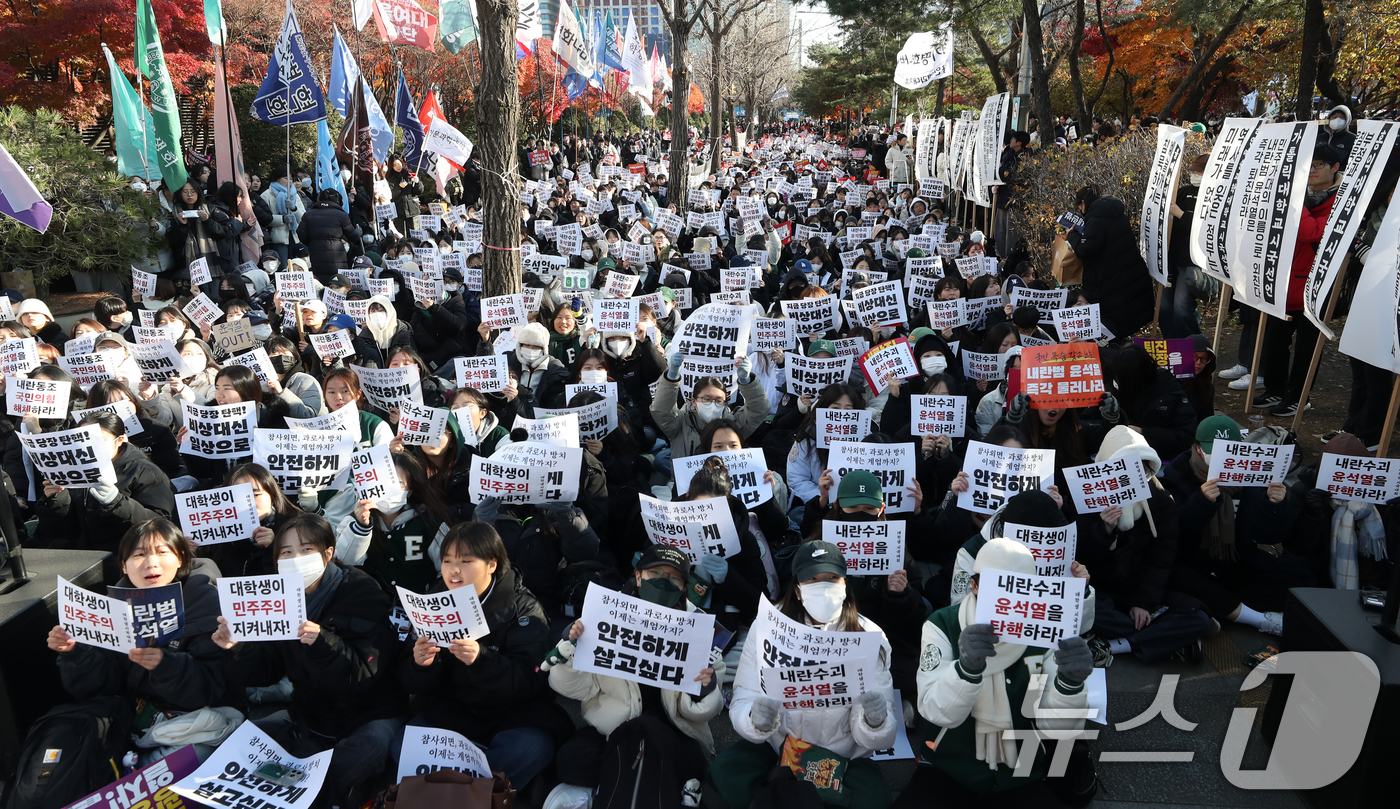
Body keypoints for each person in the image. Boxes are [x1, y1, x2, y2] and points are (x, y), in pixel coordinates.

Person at [212, 513, 404, 809]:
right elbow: (267, 670)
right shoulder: (276, 599)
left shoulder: (362, 593)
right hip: (310, 714)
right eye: (286, 552)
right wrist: (236, 648)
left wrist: (322, 642)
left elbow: (364, 672)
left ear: (328, 553)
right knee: (242, 746)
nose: (296, 559)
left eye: (306, 549)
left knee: (360, 755)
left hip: (370, 714)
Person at [895, 538, 1096, 807]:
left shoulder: (1048, 631)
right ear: (974, 585)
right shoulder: (942, 624)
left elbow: (1059, 729)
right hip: (948, 765)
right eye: (999, 586)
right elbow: (934, 711)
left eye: (1021, 587)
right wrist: (965, 670)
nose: (1010, 598)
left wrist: (1070, 684)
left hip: (1022, 771)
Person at [708, 540, 898, 809]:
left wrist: (875, 721)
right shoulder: (768, 626)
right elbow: (745, 695)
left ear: (845, 584)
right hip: (779, 747)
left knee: (873, 799)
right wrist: (755, 719)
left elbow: (879, 734)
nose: (824, 586)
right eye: (812, 579)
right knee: (727, 772)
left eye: (832, 578)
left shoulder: (868, 636)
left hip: (842, 756)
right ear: (797, 589)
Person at [543, 545, 725, 809]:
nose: (664, 581)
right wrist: (571, 650)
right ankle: (665, 792)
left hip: (675, 733)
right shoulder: (604, 615)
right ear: (638, 577)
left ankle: (607, 790)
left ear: (684, 587)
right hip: (613, 731)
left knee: (665, 748)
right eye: (655, 573)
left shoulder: (699, 629)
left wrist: (705, 689)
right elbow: (572, 688)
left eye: (674, 578)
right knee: (572, 760)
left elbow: (703, 713)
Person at [396, 522, 572, 790]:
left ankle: (471, 791)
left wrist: (482, 659)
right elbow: (412, 681)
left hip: (513, 715)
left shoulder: (523, 608)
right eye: (447, 561)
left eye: (466, 561)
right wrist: (421, 665)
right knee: (401, 746)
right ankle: (475, 789)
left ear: (492, 564)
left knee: (529, 749)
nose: (454, 570)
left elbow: (533, 678)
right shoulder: (433, 601)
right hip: (454, 710)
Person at [47, 519, 231, 748]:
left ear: (180, 559)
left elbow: (213, 688)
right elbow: (100, 689)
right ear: (124, 566)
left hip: (197, 725)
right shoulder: (112, 608)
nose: (151, 563)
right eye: (139, 555)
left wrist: (165, 665)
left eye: (162, 552)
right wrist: (75, 654)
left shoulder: (209, 604)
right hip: (133, 723)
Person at [34, 411, 177, 582]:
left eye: (99, 440)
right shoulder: (70, 468)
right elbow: (57, 531)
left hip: (126, 564)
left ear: (120, 440)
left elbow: (160, 525)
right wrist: (56, 499)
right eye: (83, 440)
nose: (90, 447)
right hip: (79, 563)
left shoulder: (144, 471)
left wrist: (115, 502)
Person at [1256, 144, 1343, 417]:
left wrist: (1295, 203)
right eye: (1309, 165)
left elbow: (1312, 232)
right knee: (1275, 339)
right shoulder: (1299, 195)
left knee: (1307, 347)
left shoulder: (1341, 200)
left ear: (1335, 168)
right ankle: (1275, 389)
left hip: (1315, 285)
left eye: (1319, 164)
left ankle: (1298, 397)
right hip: (1284, 280)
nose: (1313, 170)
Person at [1066, 185, 1154, 339]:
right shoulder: (1116, 213)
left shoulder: (1095, 220)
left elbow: (1087, 249)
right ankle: (1126, 340)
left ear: (1083, 203)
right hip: (1127, 273)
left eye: (1079, 205)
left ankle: (1117, 345)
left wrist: (1072, 235)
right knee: (1129, 311)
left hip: (1109, 278)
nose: (1079, 209)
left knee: (1114, 318)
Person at [652, 350, 768, 459]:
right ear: (694, 401)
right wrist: (671, 378)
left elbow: (759, 409)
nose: (713, 404)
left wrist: (747, 382)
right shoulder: (679, 424)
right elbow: (662, 411)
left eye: (719, 400)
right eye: (706, 399)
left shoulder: (734, 424)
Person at [1161, 154, 1217, 338]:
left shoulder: (1214, 196)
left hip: (1192, 261)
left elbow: (1207, 228)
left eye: (1199, 171)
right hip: (1171, 257)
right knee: (1164, 307)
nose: (1194, 174)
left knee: (1182, 307)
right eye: (1193, 171)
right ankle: (1171, 344)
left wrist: (1181, 214)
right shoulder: (1183, 191)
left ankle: (1193, 344)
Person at [298, 189, 360, 280]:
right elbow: (353, 236)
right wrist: (358, 232)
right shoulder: (341, 215)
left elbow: (301, 233)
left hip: (316, 255)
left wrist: (313, 242)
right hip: (337, 257)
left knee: (318, 282)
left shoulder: (308, 214)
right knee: (338, 283)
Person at [260, 165, 303, 264]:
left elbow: (303, 217)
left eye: (291, 179)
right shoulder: (267, 195)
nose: (290, 181)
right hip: (277, 238)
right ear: (277, 179)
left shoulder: (294, 194)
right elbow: (264, 218)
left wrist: (294, 209)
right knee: (282, 266)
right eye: (286, 178)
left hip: (295, 236)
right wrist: (282, 219)